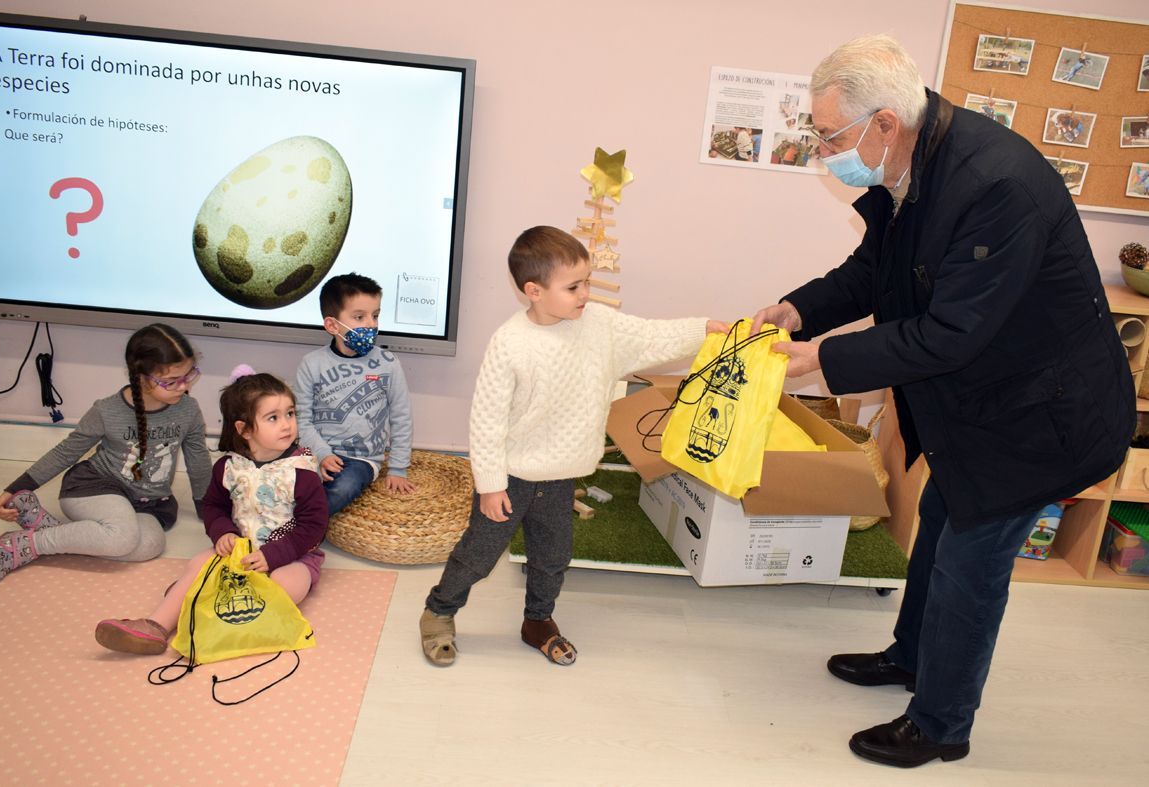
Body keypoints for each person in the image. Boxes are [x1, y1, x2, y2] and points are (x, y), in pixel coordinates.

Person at [758, 34, 1133, 767]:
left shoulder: (994, 185)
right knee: (938, 516)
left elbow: (948, 333)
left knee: (971, 558)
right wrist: (797, 310)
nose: (820, 148)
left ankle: (940, 723)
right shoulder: (908, 168)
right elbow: (875, 271)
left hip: (1040, 414)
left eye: (825, 133)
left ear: (883, 125)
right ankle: (909, 655)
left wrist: (821, 359)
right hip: (983, 395)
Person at [419, 226, 729, 667]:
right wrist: (489, 485)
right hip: (510, 477)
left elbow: (650, 337)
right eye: (573, 286)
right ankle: (438, 612)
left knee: (553, 557)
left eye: (587, 281)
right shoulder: (510, 344)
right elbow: (486, 421)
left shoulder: (598, 324)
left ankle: (538, 621)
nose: (585, 294)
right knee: (478, 556)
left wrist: (704, 330)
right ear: (534, 291)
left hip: (561, 475)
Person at [94, 369, 329, 655]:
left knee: (288, 584)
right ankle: (156, 625)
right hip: (239, 552)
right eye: (273, 418)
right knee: (199, 563)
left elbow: (314, 525)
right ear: (244, 430)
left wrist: (274, 555)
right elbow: (214, 506)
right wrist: (223, 533)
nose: (287, 425)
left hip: (294, 555)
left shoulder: (301, 471)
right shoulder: (228, 468)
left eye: (290, 413)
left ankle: (209, 608)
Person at [0, 323, 212, 584]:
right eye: (171, 381)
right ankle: (30, 543)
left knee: (150, 546)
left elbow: (199, 461)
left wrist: (208, 508)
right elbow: (66, 452)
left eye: (188, 375)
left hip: (149, 502)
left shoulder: (188, 410)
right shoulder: (106, 410)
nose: (183, 387)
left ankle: (57, 533)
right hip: (95, 487)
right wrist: (16, 488)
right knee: (121, 538)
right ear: (140, 377)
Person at [294, 273, 415, 516]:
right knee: (284, 482)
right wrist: (321, 454)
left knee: (342, 489)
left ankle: (299, 531)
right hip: (315, 452)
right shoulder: (311, 364)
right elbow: (301, 419)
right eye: (359, 317)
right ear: (332, 325)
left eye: (376, 315)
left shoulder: (388, 363)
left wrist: (398, 469)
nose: (371, 324)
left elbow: (401, 417)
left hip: (362, 460)